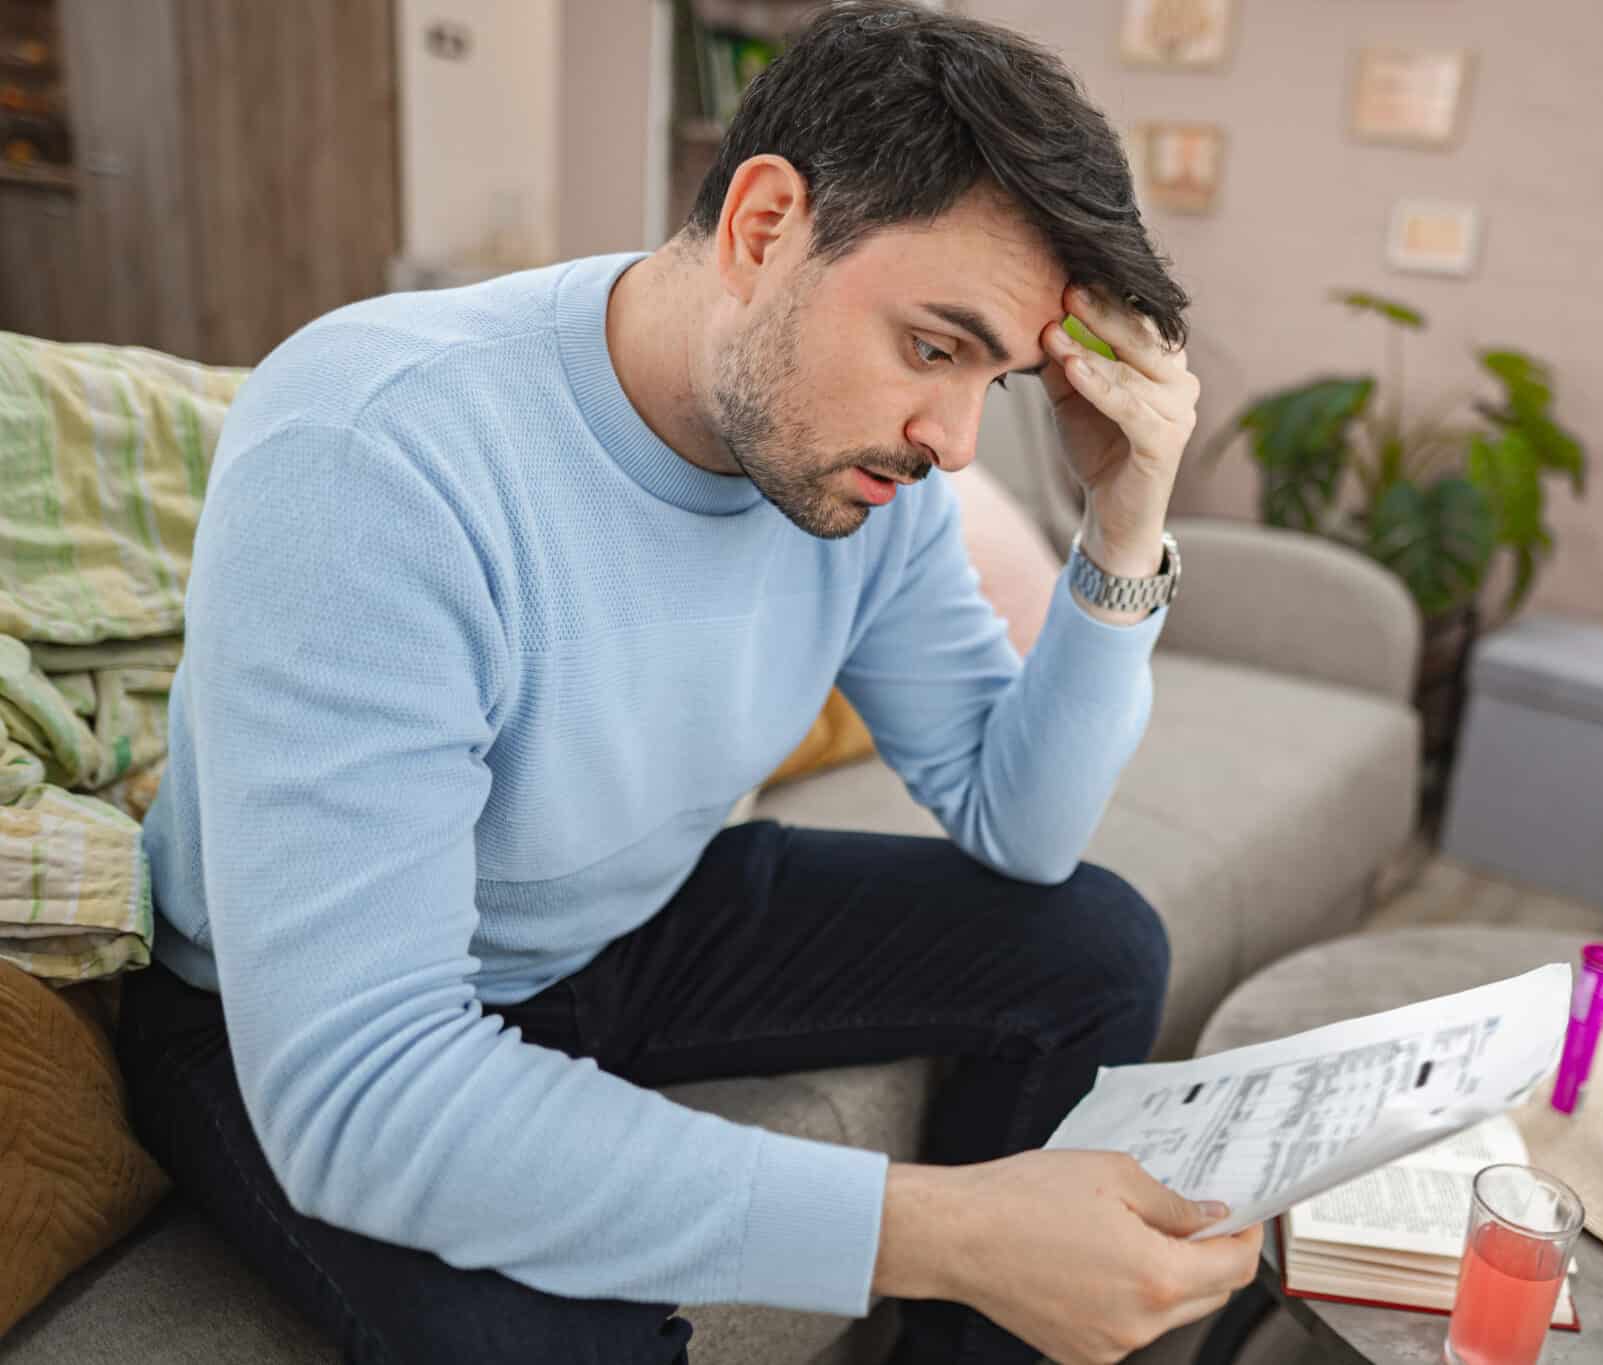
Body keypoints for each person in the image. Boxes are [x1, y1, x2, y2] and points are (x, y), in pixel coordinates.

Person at [118, 3, 1262, 1362]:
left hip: (618, 930)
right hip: (294, 1022)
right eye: (933, 345)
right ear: (763, 226)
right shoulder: (379, 450)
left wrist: (1124, 524)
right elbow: (363, 1088)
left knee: (1094, 943)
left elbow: (1020, 825)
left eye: (994, 378)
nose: (956, 444)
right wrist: (953, 1226)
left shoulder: (872, 484)